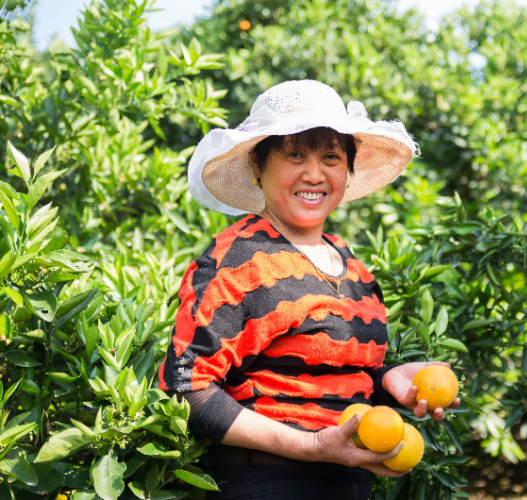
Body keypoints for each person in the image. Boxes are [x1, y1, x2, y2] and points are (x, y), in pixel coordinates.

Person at [158, 80, 459, 500]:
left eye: (331, 157)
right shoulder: (238, 260)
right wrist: (311, 446)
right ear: (258, 166)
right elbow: (185, 389)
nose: (314, 173)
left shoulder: (352, 266)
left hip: (349, 486)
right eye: (294, 154)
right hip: (265, 486)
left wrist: (389, 379)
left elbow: (327, 379)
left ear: (348, 170)